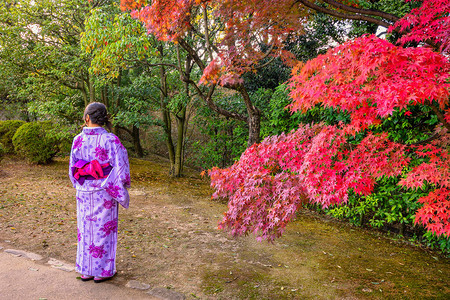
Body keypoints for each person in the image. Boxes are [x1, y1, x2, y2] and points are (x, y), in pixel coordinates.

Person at [68, 102, 130, 283]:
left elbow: (73, 169)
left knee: (86, 231)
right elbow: (121, 168)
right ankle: (102, 271)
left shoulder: (77, 139)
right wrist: (119, 186)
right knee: (104, 231)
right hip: (105, 191)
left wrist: (79, 184)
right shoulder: (111, 140)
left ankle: (86, 270)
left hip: (84, 191)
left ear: (87, 118)